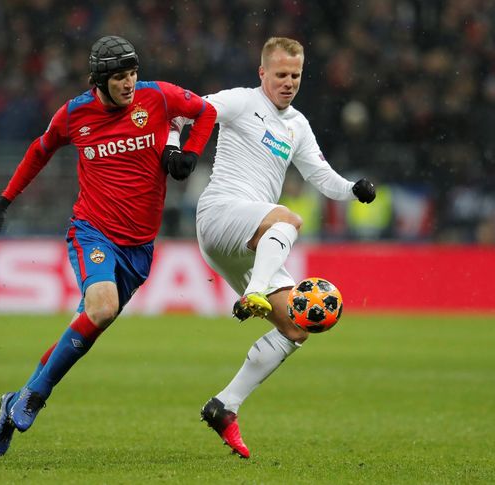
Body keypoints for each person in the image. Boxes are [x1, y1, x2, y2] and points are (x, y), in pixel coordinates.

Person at [0, 35, 217, 457]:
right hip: (93, 230)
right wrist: (4, 202)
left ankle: (13, 402)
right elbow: (40, 150)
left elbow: (206, 111)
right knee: (103, 306)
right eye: (120, 77)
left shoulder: (158, 97)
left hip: (140, 246)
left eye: (132, 74)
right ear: (99, 80)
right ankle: (35, 397)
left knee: (90, 325)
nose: (129, 84)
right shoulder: (75, 114)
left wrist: (191, 153)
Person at [168, 37, 376, 458]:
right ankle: (256, 292)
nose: (288, 83)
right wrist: (175, 147)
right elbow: (181, 110)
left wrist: (353, 189)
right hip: (221, 213)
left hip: (250, 239)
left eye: (295, 75)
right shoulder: (241, 102)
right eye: (280, 74)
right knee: (288, 218)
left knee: (297, 327)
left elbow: (321, 175)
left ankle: (224, 405)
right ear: (262, 73)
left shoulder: (297, 124)